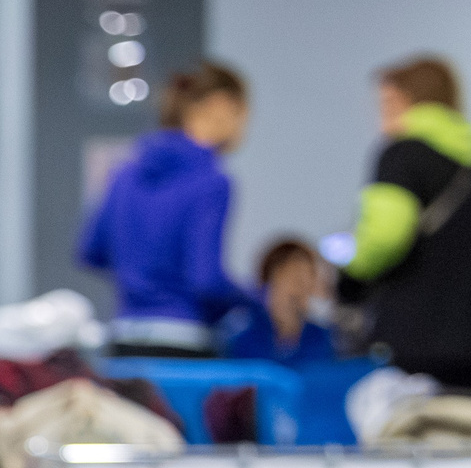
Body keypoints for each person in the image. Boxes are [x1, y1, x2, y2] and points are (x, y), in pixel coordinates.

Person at [337, 55, 471, 391]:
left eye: (387, 102)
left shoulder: (402, 156)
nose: (380, 115)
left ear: (408, 100)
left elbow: (384, 237)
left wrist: (350, 272)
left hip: (410, 346)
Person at [78, 61, 255, 358]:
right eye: (242, 113)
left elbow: (91, 251)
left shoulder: (124, 172)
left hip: (124, 339)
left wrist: (141, 281)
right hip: (183, 345)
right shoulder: (211, 181)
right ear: (220, 105)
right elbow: (205, 279)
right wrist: (253, 300)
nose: (244, 125)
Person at [221, 236, 340, 367]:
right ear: (272, 277)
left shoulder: (321, 338)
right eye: (296, 278)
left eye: (308, 279)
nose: (303, 289)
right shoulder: (240, 333)